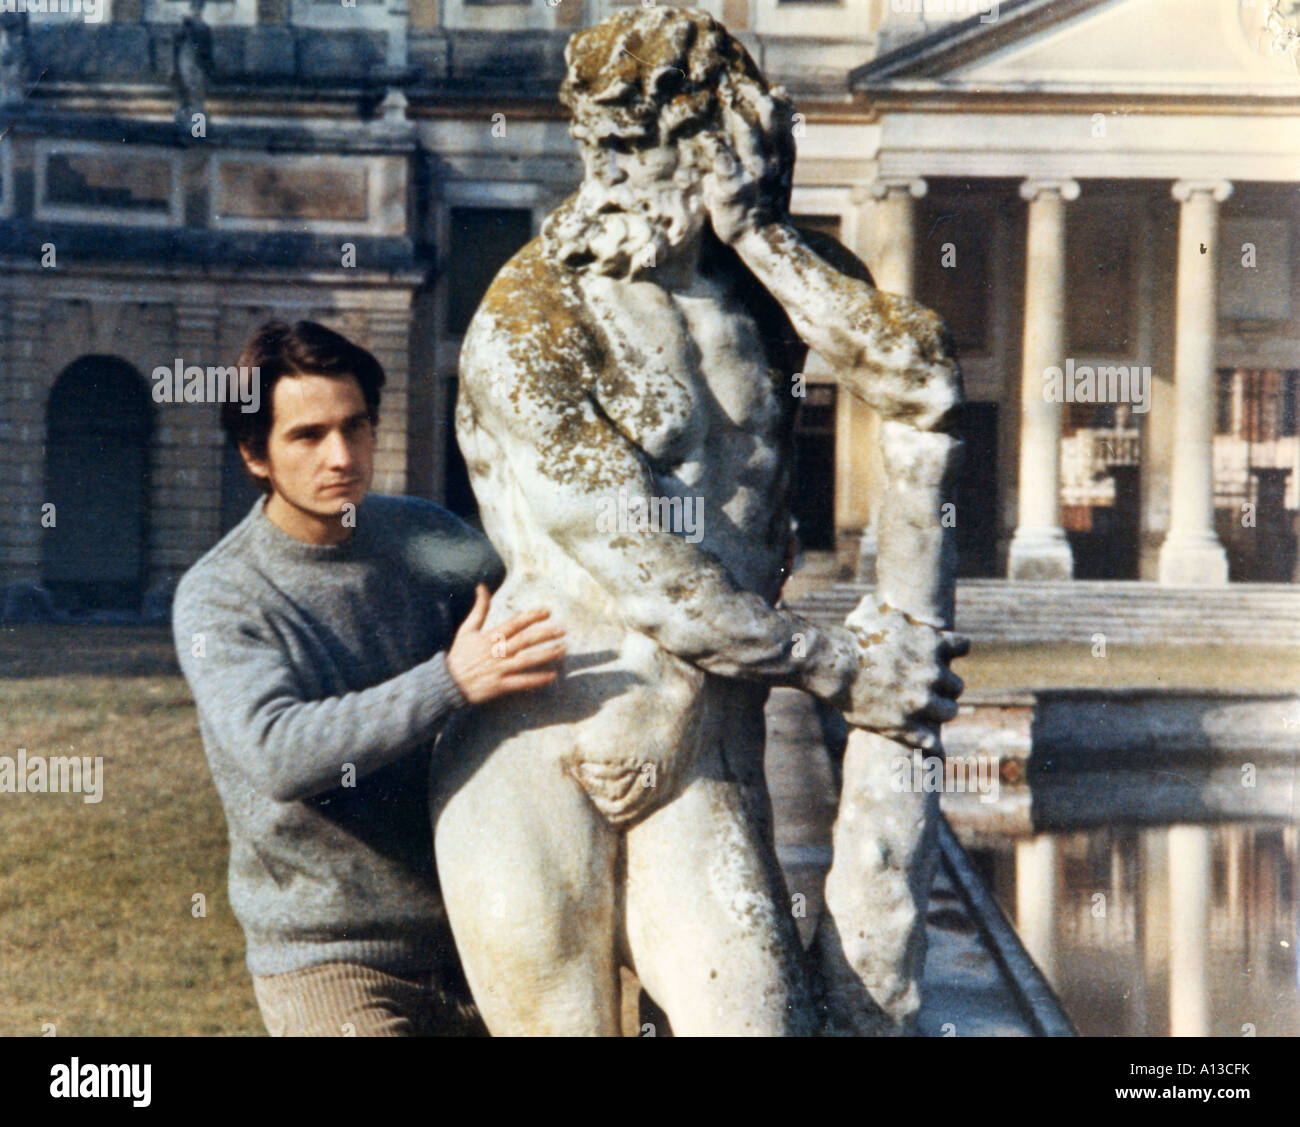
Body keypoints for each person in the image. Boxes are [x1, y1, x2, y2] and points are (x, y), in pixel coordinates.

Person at [431, 6, 965, 1036]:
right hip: (544, 729)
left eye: (666, 148)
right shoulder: (530, 318)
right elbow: (633, 557)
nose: (627, 177)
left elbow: (921, 377)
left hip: (704, 737)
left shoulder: (766, 292)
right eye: (610, 149)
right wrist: (840, 664)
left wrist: (764, 236)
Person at [171, 319, 565, 1036]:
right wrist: (450, 680)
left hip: (486, 930)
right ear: (255, 454)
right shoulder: (220, 594)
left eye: (357, 426)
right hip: (331, 957)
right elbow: (276, 753)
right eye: (308, 435)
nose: (343, 456)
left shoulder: (429, 537)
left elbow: (541, 610)